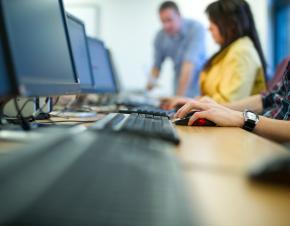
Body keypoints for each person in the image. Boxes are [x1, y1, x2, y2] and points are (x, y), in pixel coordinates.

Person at [161, 0, 267, 109]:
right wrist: (188, 101)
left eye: (213, 22)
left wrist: (190, 102)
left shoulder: (242, 52)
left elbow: (228, 105)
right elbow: (213, 99)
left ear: (231, 25)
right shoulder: (230, 51)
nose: (209, 28)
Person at [174, 61, 290, 143]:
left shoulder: (241, 51)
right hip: (261, 136)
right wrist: (218, 108)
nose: (209, 29)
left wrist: (242, 118)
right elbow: (267, 99)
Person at [147, 1, 206, 97]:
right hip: (178, 86)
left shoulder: (195, 28)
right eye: (163, 21)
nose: (166, 26)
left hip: (199, 90)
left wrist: (179, 98)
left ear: (179, 15)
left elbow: (189, 64)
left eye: (169, 20)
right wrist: (147, 90)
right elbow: (156, 66)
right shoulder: (160, 36)